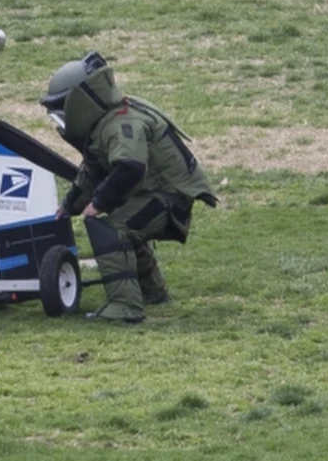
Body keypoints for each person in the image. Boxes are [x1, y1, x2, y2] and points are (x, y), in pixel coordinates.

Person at [41, 52, 217, 323]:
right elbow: (92, 171)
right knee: (126, 223)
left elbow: (131, 168)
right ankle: (153, 291)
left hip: (170, 198)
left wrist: (97, 204)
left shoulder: (121, 124)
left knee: (112, 227)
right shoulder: (109, 120)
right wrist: (68, 207)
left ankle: (125, 306)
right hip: (165, 194)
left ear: (80, 102)